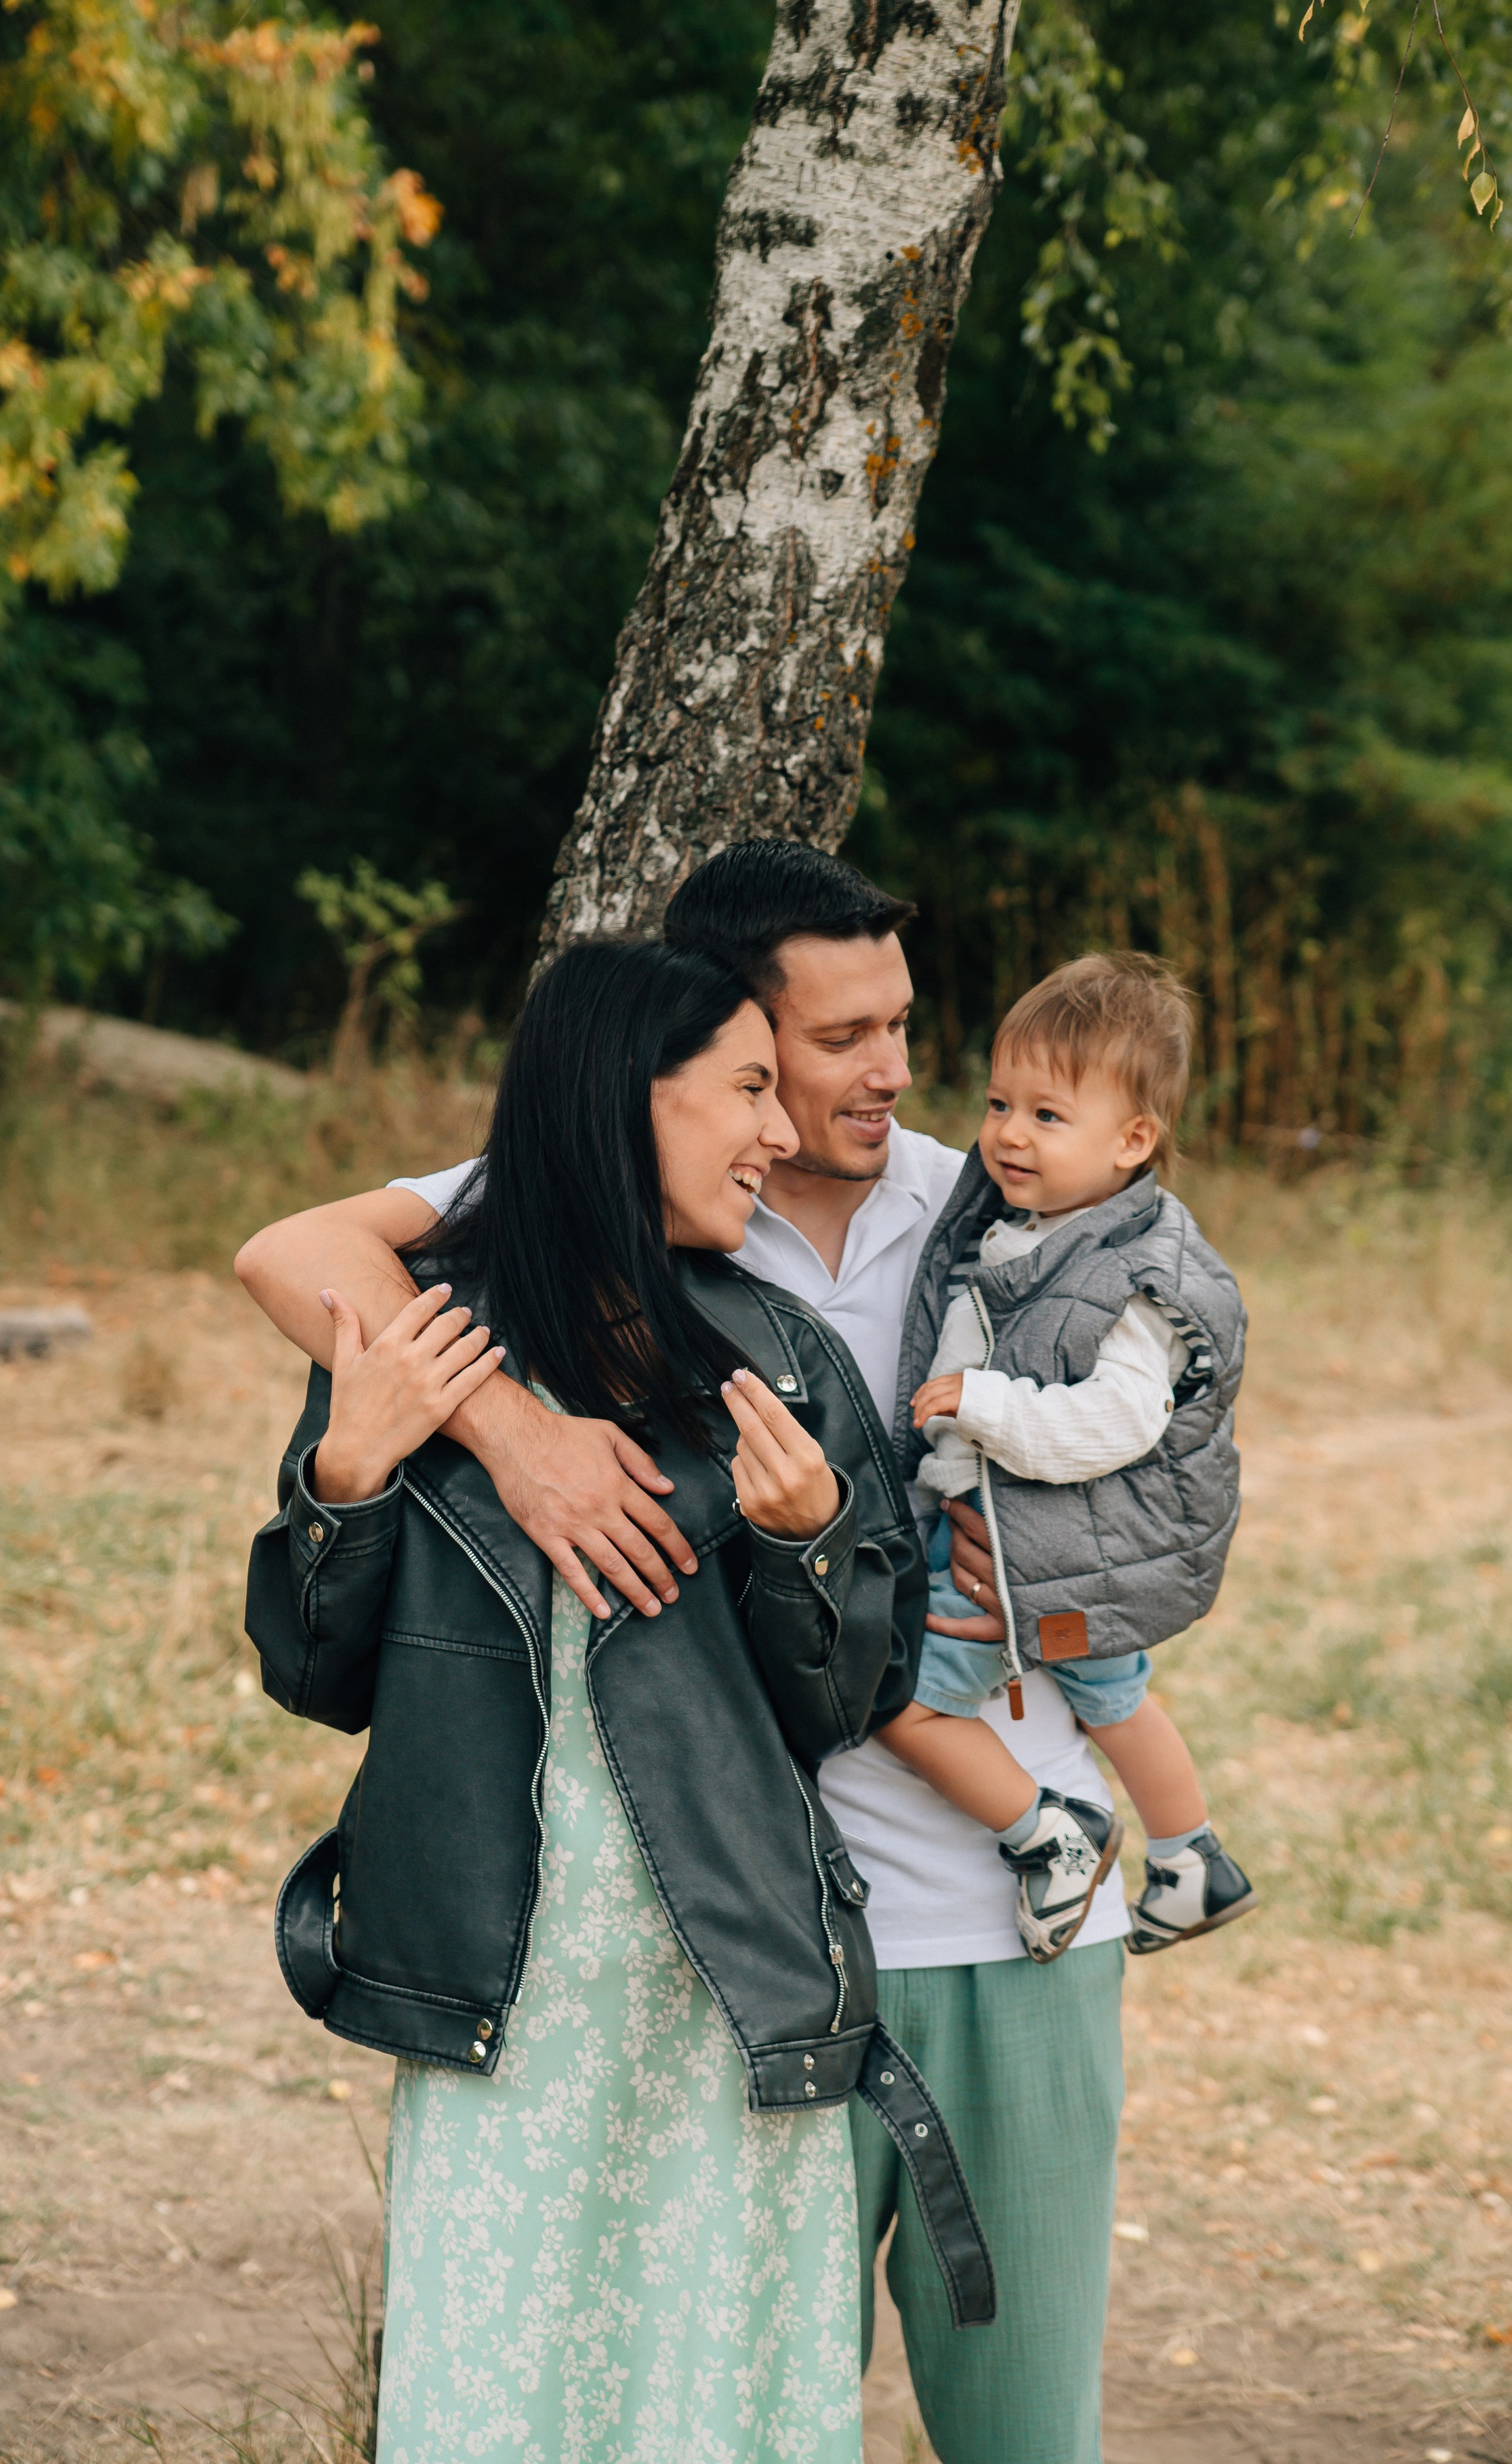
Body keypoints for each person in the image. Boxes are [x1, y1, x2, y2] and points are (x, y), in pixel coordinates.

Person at [236, 846, 1124, 2464]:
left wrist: (800, 1540)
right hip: (505, 1986)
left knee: (723, 2415)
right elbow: (314, 1673)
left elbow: (846, 1692)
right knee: (497, 2410)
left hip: (733, 1978)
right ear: (627, 1099)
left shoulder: (785, 1344)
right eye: (751, 1083)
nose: (785, 1126)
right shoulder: (428, 1334)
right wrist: (349, 1480)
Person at [881, 952, 1256, 1963]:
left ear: (1134, 1140)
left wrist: (986, 1404)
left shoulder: (1139, 1276)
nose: (1008, 1132)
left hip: (1043, 1543)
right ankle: (1192, 1860)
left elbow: (1118, 1422)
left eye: (1048, 1116)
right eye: (1000, 1102)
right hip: (1046, 1541)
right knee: (1116, 1697)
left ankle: (1048, 1832)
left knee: (908, 1708)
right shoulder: (1032, 1228)